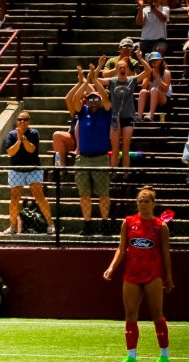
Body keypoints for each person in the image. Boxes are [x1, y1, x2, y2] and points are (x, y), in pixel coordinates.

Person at [102, 186, 174, 362]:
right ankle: (131, 356)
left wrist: (169, 277)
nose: (143, 204)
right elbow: (121, 248)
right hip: (131, 274)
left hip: (153, 275)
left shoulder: (160, 226)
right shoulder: (128, 222)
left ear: (153, 203)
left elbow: (165, 253)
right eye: (140, 201)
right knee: (130, 313)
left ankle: (164, 356)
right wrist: (111, 267)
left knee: (157, 314)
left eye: (146, 201)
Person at [73, 66, 113, 236]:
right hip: (83, 159)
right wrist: (84, 81)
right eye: (91, 99)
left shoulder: (105, 113)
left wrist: (95, 80)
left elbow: (104, 98)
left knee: (103, 194)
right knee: (84, 194)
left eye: (96, 99)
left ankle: (105, 223)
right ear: (87, 101)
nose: (94, 101)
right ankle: (87, 224)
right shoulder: (83, 112)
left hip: (101, 158)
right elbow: (75, 99)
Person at [3, 111, 54, 235]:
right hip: (16, 170)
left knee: (39, 196)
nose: (22, 122)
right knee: (14, 198)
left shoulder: (34, 133)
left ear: (29, 121)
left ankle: (50, 224)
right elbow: (10, 152)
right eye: (20, 119)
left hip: (33, 169)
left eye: (25, 119)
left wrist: (24, 138)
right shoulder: (11, 135)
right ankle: (13, 226)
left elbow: (31, 149)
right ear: (17, 121)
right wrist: (18, 140)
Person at [106, 47, 151, 170]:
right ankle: (113, 173)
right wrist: (99, 67)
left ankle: (125, 174)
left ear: (127, 69)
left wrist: (140, 58)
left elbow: (148, 70)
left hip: (128, 117)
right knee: (115, 149)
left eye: (124, 67)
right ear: (116, 69)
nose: (121, 69)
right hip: (115, 118)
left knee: (126, 147)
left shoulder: (132, 80)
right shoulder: (112, 81)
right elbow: (95, 80)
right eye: (119, 67)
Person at [138, 52, 171, 121]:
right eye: (152, 60)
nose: (154, 62)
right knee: (143, 91)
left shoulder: (166, 72)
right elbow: (143, 87)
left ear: (160, 60)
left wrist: (157, 78)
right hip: (151, 97)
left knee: (154, 89)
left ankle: (151, 115)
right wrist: (148, 77)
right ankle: (139, 116)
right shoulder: (148, 72)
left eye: (156, 60)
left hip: (163, 98)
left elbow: (165, 89)